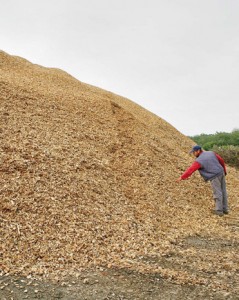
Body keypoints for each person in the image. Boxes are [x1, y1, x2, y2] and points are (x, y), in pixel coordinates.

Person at [177, 145, 229, 216]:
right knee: (223, 191)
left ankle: (219, 211)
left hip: (214, 176)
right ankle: (225, 209)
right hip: (221, 172)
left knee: (217, 192)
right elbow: (221, 161)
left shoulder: (199, 161)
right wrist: (224, 171)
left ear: (198, 151)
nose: (193, 154)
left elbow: (191, 170)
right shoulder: (211, 153)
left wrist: (181, 177)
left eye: (194, 152)